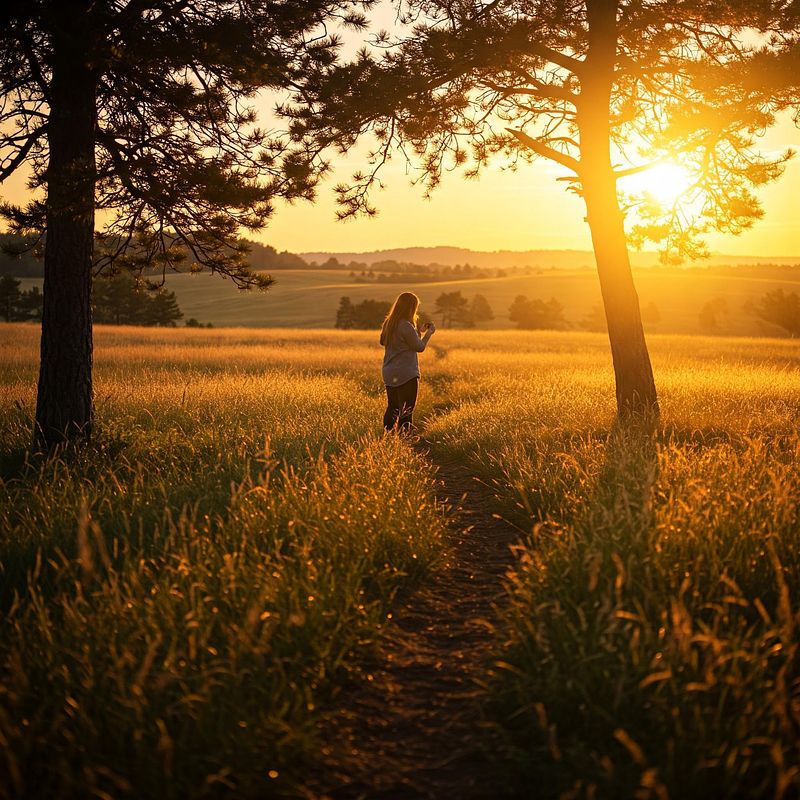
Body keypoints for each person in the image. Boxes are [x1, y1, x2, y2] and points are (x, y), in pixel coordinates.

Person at [380, 291, 436, 433]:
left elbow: (383, 341)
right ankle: (405, 441)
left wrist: (418, 331)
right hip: (406, 373)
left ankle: (387, 437)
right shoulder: (405, 325)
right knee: (406, 411)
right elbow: (419, 347)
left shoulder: (389, 323)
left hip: (389, 371)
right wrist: (428, 334)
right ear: (412, 308)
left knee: (392, 407)